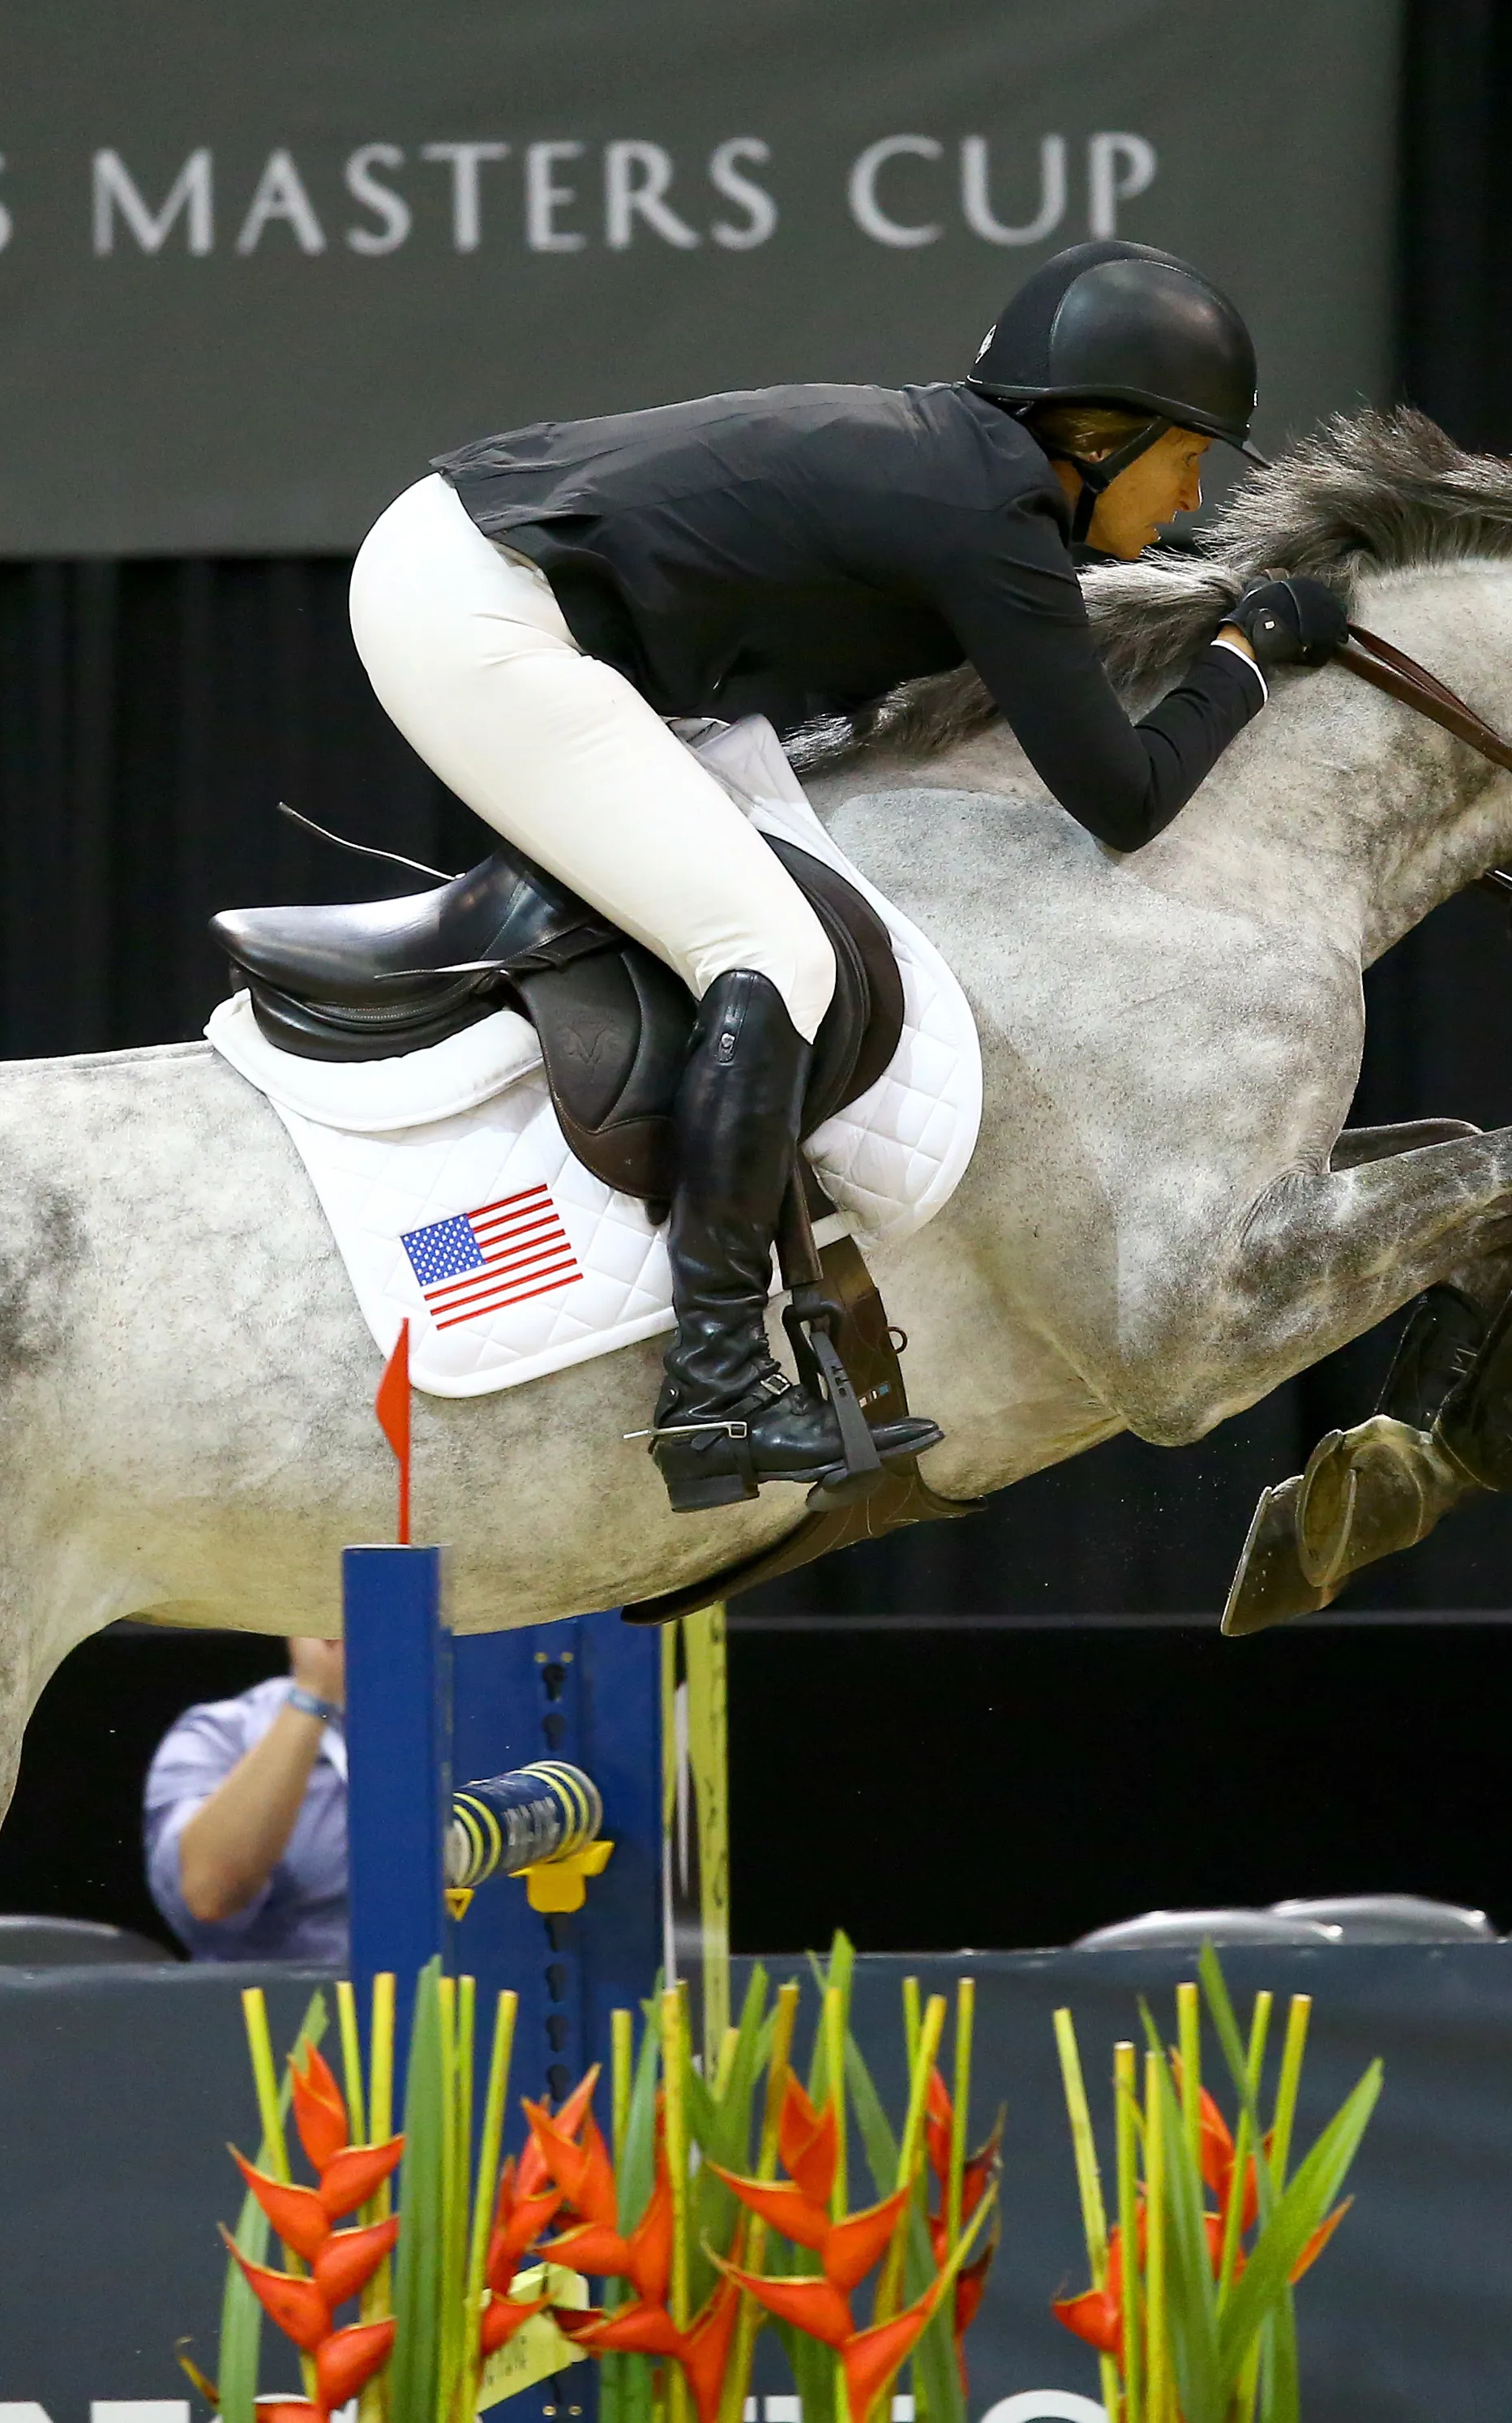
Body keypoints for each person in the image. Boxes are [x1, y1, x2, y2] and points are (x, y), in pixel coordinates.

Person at [353, 238, 1351, 1516]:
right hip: (479, 613)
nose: (1188, 500)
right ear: (1103, 434)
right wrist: (1247, 648)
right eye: (1186, 457)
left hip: (474, 567)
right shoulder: (990, 518)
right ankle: (713, 1385)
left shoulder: (971, 478)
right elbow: (1125, 800)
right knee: (772, 955)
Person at [143, 1637, 349, 1962]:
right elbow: (209, 1898)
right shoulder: (221, 1735)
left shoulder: (454, 1727)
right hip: (279, 2005)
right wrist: (313, 1697)